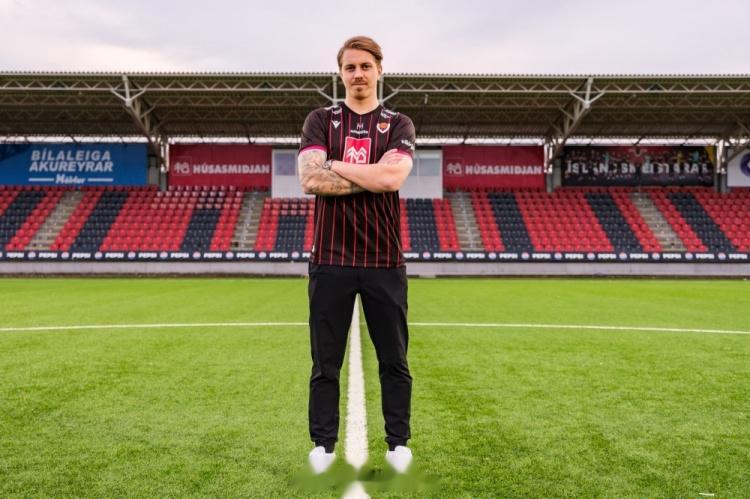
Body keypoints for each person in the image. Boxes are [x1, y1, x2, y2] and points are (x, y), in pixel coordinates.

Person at [297, 35, 416, 475]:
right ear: (340, 73)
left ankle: (398, 444)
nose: (358, 74)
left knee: (394, 360)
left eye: (365, 66)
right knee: (325, 362)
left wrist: (334, 164)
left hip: (384, 260)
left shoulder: (398, 123)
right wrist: (371, 172)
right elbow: (310, 180)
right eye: (350, 67)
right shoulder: (320, 120)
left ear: (379, 70)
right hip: (330, 259)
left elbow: (391, 180)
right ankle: (323, 446)